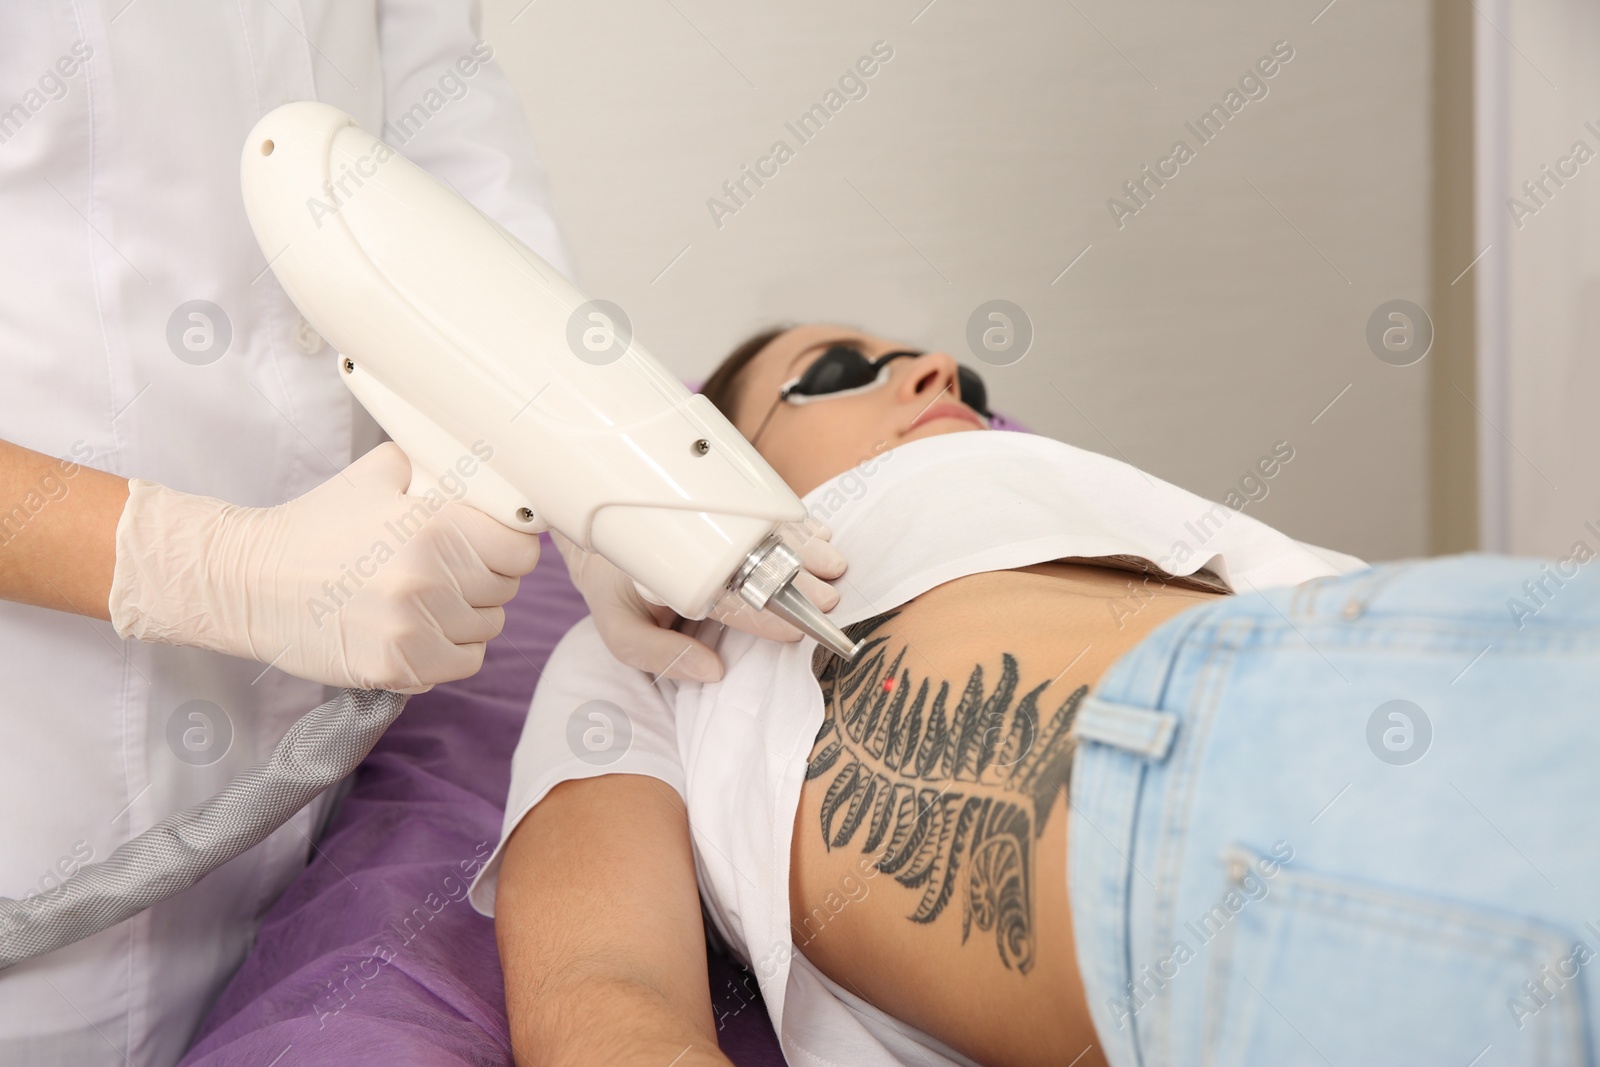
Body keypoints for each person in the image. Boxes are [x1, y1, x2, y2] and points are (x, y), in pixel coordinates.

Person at [0, 11, 837, 1065]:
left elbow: (436, 131)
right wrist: (191, 562)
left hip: (292, 801)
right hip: (33, 770)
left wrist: (589, 453)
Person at [479, 324, 1600, 1066]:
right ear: (710, 446)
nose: (936, 371)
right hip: (1216, 826)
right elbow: (604, 992)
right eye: (832, 369)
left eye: (964, 382)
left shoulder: (1086, 494)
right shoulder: (641, 636)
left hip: (1433, 652)